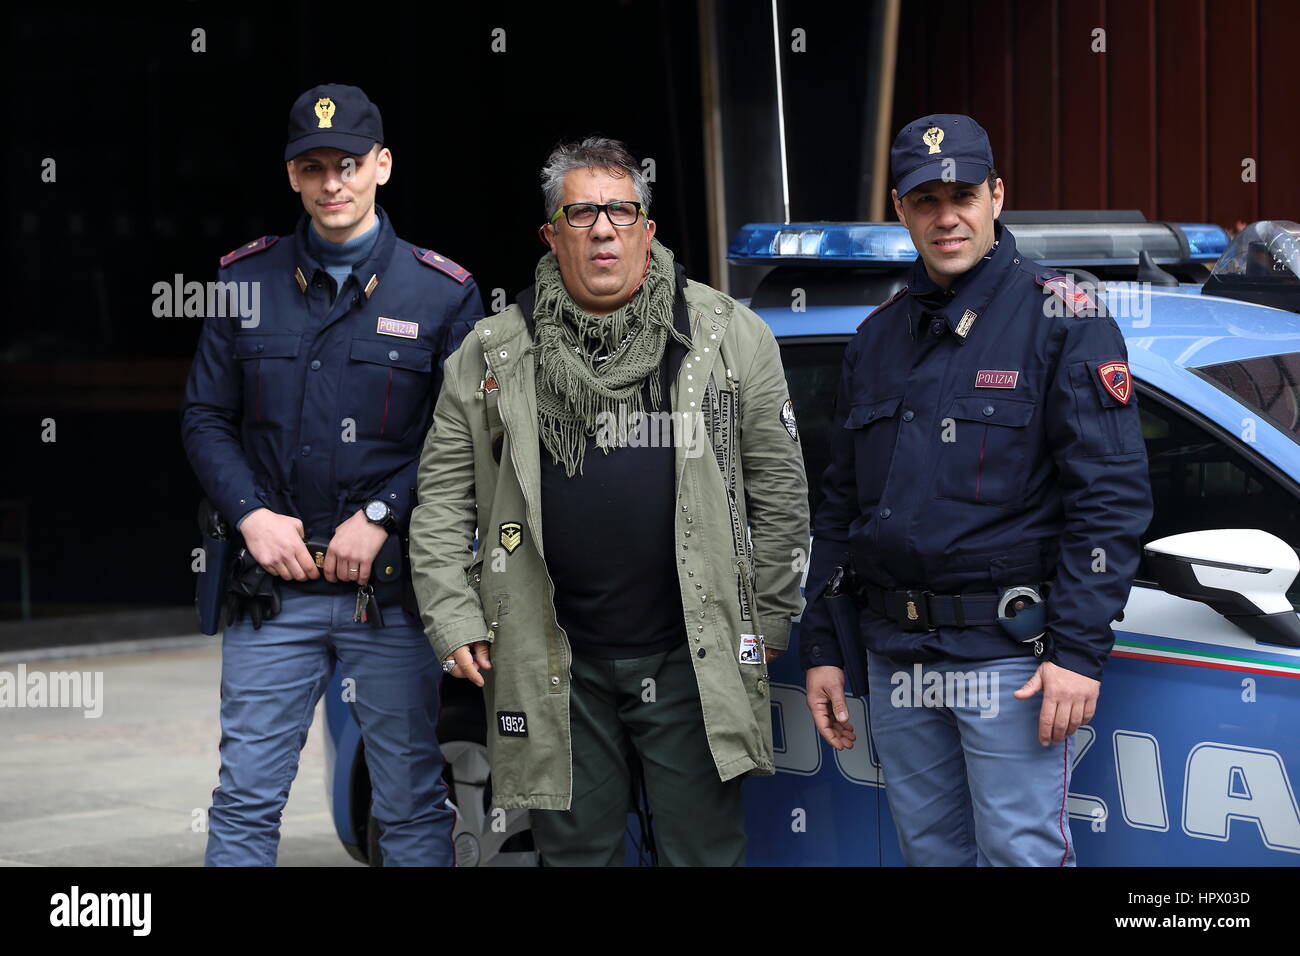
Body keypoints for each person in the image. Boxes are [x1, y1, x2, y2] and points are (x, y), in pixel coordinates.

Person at [409, 136, 809, 866]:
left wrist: (773, 614)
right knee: (576, 854)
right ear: (551, 234)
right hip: (555, 658)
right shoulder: (493, 350)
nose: (602, 229)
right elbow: (441, 500)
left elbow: (780, 488)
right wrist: (452, 613)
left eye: (621, 211)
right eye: (581, 212)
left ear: (648, 230)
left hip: (693, 652)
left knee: (703, 852)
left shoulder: (725, 335)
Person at [800, 114, 1153, 866]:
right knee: (931, 855)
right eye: (925, 199)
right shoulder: (876, 339)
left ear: (997, 194)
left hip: (1009, 659)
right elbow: (839, 506)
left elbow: (1110, 499)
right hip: (898, 652)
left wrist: (1079, 652)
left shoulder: (1064, 320)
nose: (946, 215)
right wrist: (825, 646)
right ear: (901, 209)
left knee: (1018, 853)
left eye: (962, 193)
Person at [181, 83, 484, 866]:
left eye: (349, 163)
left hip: (385, 597)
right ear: (292, 177)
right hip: (270, 591)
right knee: (245, 800)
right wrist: (250, 514)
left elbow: (462, 436)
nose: (332, 183)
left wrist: (382, 514)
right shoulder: (244, 281)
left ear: (382, 165)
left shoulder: (442, 292)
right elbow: (205, 419)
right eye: (312, 167)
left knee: (412, 803)